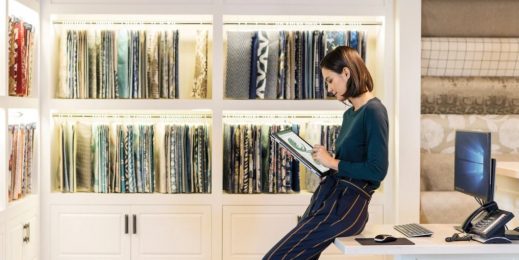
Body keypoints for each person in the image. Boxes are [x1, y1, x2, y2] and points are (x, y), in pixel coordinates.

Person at [263, 46, 389, 260]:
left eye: (330, 80)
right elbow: (347, 162)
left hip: (348, 205)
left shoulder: (374, 111)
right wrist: (324, 159)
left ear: (346, 73)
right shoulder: (350, 114)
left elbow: (377, 170)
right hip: (330, 197)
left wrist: (332, 161)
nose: (329, 88)